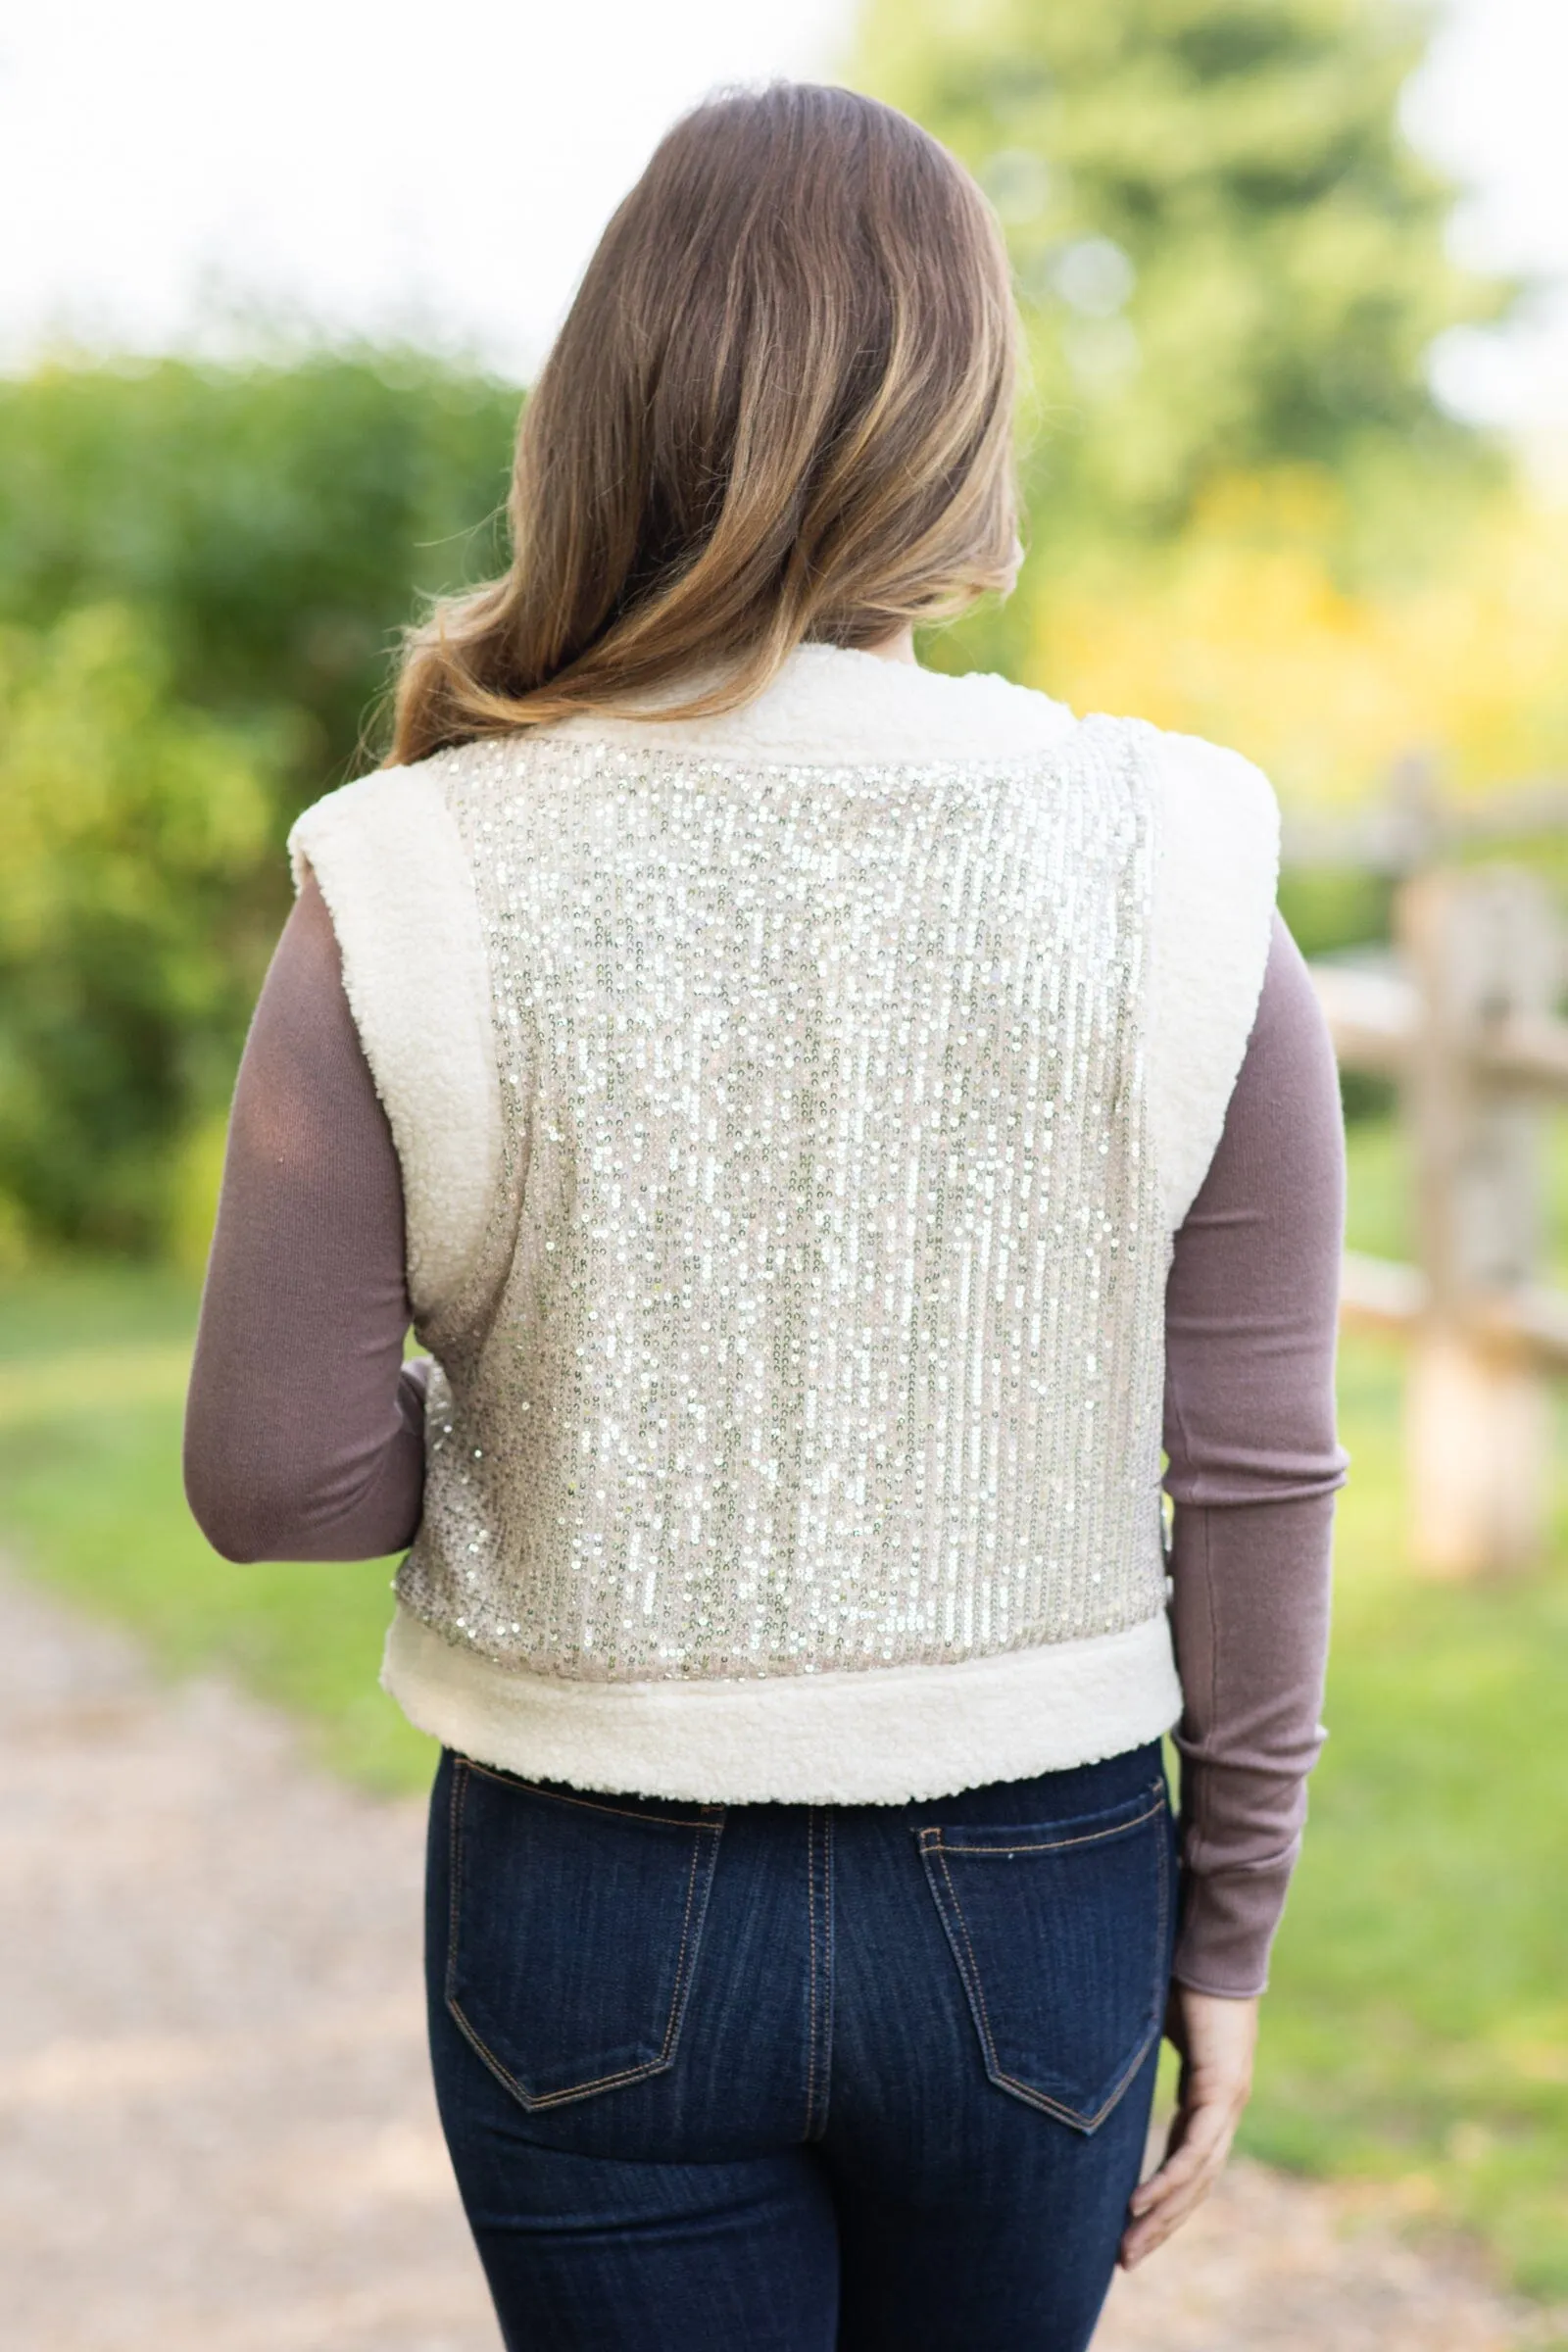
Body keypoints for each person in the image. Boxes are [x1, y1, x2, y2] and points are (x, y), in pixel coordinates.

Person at [183, 80, 1348, 2352]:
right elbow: (1259, 1471)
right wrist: (1226, 1936)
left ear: (606, 404)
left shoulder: (410, 871)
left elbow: (272, 1481)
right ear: (962, 425)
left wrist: (575, 1438)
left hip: (588, 1889)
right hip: (1044, 1901)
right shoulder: (1178, 864)